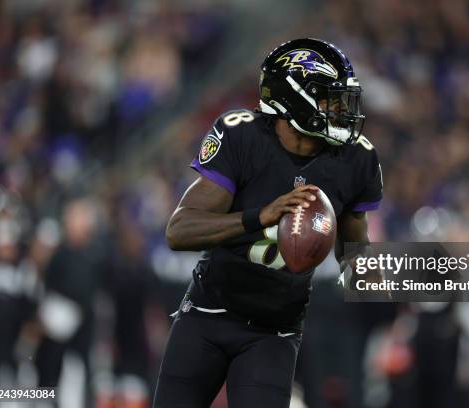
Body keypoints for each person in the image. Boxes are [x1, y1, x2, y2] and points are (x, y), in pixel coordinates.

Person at [153, 38, 383, 408]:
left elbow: (357, 255)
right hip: (208, 315)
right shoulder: (242, 135)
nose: (340, 109)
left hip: (275, 330)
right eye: (329, 99)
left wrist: (375, 274)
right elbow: (179, 231)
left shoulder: (356, 158)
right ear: (293, 98)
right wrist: (260, 218)